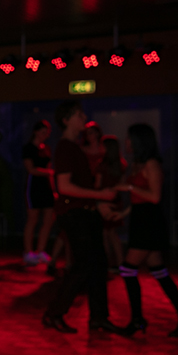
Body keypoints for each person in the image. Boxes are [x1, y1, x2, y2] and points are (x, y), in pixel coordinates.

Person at [42, 101, 126, 335]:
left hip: (84, 212)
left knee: (98, 265)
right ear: (66, 120)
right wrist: (99, 196)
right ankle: (54, 313)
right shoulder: (66, 147)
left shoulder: (74, 147)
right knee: (83, 265)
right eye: (79, 115)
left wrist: (98, 204)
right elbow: (64, 186)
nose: (84, 118)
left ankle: (98, 318)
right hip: (75, 214)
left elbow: (78, 186)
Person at [114, 124, 178, 337]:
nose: (126, 142)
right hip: (141, 218)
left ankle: (138, 320)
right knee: (159, 271)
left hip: (149, 222)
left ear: (139, 141)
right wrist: (123, 213)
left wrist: (129, 187)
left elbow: (154, 197)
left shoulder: (152, 163)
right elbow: (139, 198)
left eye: (129, 138)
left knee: (127, 270)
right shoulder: (136, 163)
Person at [22, 120, 55, 266]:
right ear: (36, 132)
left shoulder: (46, 148)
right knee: (33, 219)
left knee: (48, 219)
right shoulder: (28, 148)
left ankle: (41, 250)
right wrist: (49, 172)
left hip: (46, 187)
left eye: (47, 133)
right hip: (34, 187)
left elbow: (49, 169)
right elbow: (31, 169)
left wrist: (53, 189)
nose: (45, 135)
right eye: (43, 132)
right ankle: (28, 252)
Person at [95, 135, 127, 271]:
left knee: (105, 234)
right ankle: (120, 263)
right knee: (112, 234)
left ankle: (107, 263)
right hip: (115, 200)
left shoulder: (101, 165)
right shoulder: (121, 164)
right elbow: (122, 184)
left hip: (103, 200)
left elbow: (97, 185)